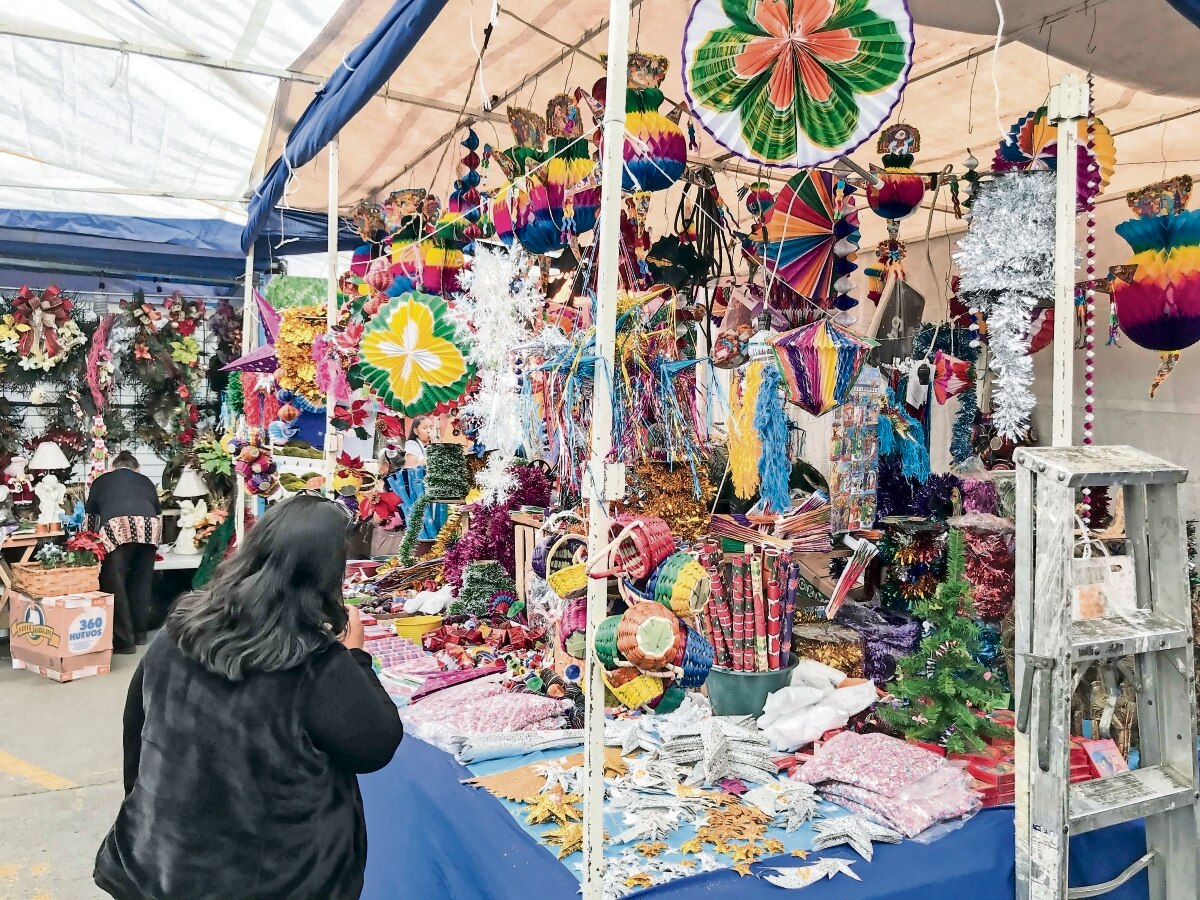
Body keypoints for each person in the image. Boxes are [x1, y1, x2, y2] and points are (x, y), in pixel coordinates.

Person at [94, 494, 403, 900]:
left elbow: (137, 732)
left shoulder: (178, 632)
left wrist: (154, 810)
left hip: (159, 863)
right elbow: (375, 746)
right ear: (327, 573)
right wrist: (356, 656)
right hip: (275, 879)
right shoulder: (315, 662)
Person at [86, 451, 162, 654]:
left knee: (114, 581)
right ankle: (139, 634)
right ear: (136, 469)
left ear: (113, 467)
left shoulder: (101, 481)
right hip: (149, 527)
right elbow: (157, 512)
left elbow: (91, 519)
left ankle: (124, 641)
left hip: (116, 527)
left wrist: (89, 543)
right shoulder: (145, 480)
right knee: (142, 580)